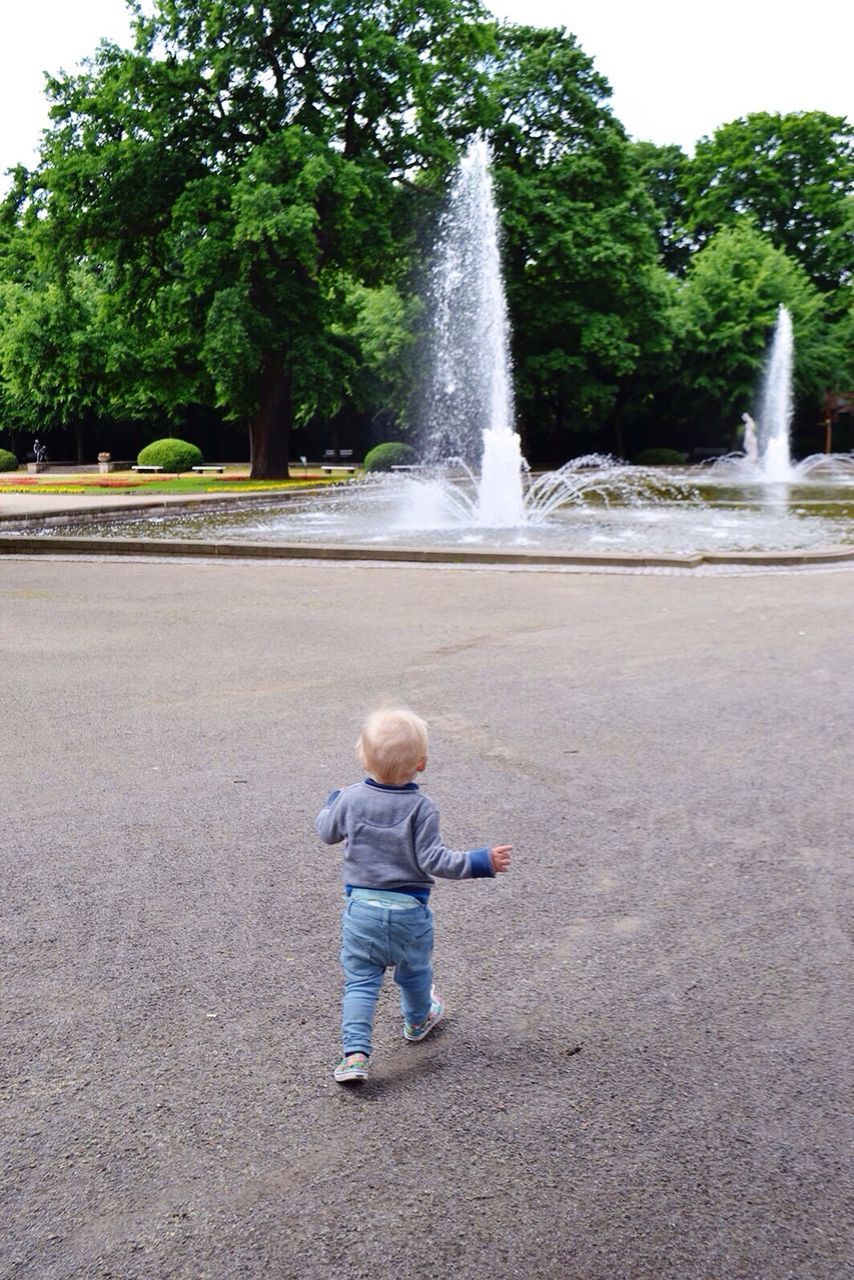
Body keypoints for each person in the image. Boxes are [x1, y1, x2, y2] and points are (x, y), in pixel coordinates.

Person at [315, 704, 512, 1084]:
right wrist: (480, 861)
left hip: (362, 913)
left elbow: (326, 832)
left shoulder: (350, 798)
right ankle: (418, 1020)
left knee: (360, 981)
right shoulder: (422, 808)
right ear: (421, 764)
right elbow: (435, 859)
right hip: (409, 914)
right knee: (415, 973)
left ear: (363, 756)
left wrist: (330, 803)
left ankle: (355, 1054)